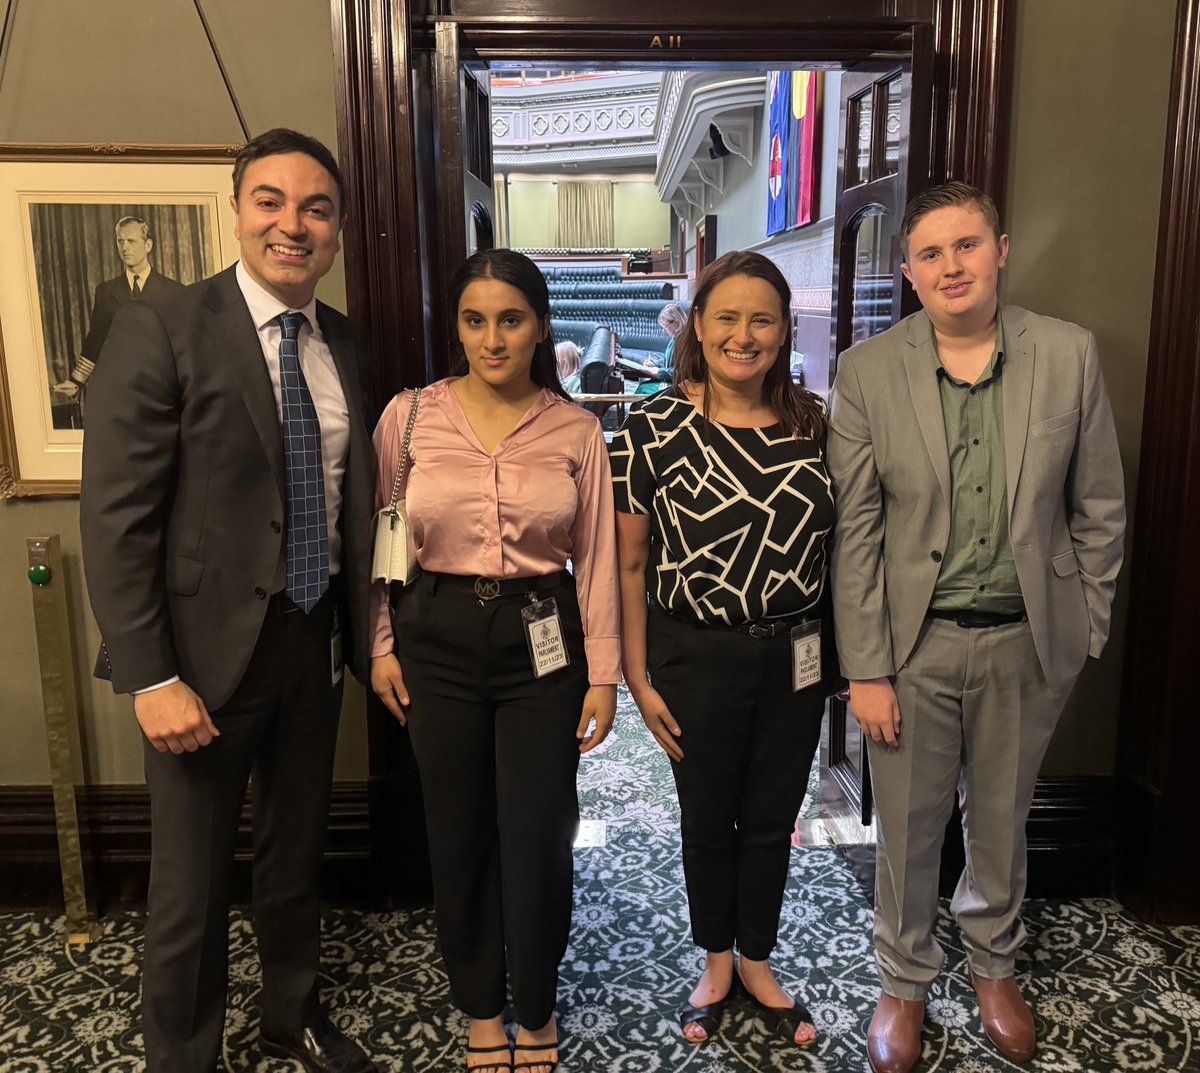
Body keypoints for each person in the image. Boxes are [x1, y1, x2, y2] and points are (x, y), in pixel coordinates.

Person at [80, 129, 379, 1073]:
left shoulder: (349, 344)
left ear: (335, 229)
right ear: (237, 210)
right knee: (190, 882)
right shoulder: (167, 324)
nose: (293, 224)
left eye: (316, 207)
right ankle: (184, 1056)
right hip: (198, 661)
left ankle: (291, 1016)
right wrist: (150, 674)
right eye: (271, 201)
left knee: (296, 858)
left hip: (311, 640)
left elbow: (358, 506)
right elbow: (116, 516)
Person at [827, 182, 1125, 1073]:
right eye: (929, 253)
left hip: (1030, 642)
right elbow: (857, 534)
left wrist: (1084, 630)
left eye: (965, 246)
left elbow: (1099, 506)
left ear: (1001, 248)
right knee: (911, 826)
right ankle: (904, 980)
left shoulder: (1068, 355)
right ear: (908, 271)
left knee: (1001, 816)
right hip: (912, 647)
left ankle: (995, 965)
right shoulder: (866, 371)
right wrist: (867, 669)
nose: (949, 266)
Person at [369, 248, 620, 1073]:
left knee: (542, 830)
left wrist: (605, 674)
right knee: (459, 829)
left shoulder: (577, 429)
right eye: (474, 320)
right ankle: (481, 1002)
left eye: (510, 319)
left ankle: (538, 1002)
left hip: (541, 638)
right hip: (433, 634)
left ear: (541, 326)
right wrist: (379, 644)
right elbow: (382, 536)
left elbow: (598, 555)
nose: (492, 338)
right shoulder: (407, 419)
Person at [610, 251, 833, 1049]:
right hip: (691, 653)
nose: (744, 335)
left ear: (785, 329)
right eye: (726, 317)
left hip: (795, 655)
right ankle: (714, 960)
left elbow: (841, 550)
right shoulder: (650, 425)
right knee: (707, 819)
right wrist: (636, 676)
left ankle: (759, 958)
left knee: (773, 819)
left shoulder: (817, 424)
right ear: (697, 326)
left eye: (762, 319)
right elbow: (630, 563)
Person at [55, 216, 184, 399]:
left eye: (131, 241)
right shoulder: (105, 292)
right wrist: (76, 381)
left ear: (148, 245)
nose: (124, 248)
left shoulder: (174, 291)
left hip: (162, 389)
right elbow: (95, 341)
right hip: (121, 390)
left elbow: (184, 346)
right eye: (120, 241)